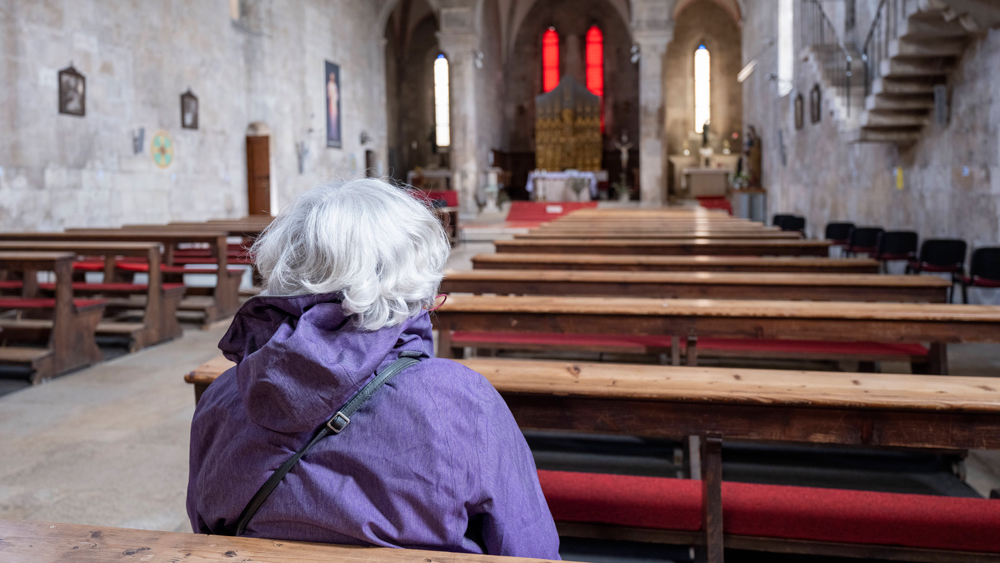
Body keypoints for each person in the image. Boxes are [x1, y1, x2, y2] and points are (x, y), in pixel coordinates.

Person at [186, 178, 560, 558]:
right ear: (414, 284)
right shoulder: (463, 401)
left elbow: (203, 528)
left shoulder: (222, 396)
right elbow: (530, 549)